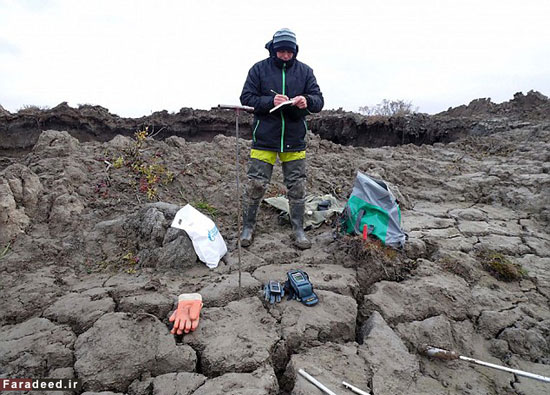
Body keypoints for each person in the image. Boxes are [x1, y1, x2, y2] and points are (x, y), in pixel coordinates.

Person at [239, 28, 324, 250]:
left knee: (296, 187)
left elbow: (319, 100)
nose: (285, 55)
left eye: (289, 51)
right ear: (273, 50)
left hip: (294, 139)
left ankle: (298, 230)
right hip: (264, 138)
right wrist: (270, 101)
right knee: (257, 184)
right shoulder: (258, 70)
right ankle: (248, 228)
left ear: (295, 51)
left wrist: (307, 101)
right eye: (281, 51)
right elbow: (246, 97)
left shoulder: (305, 72)